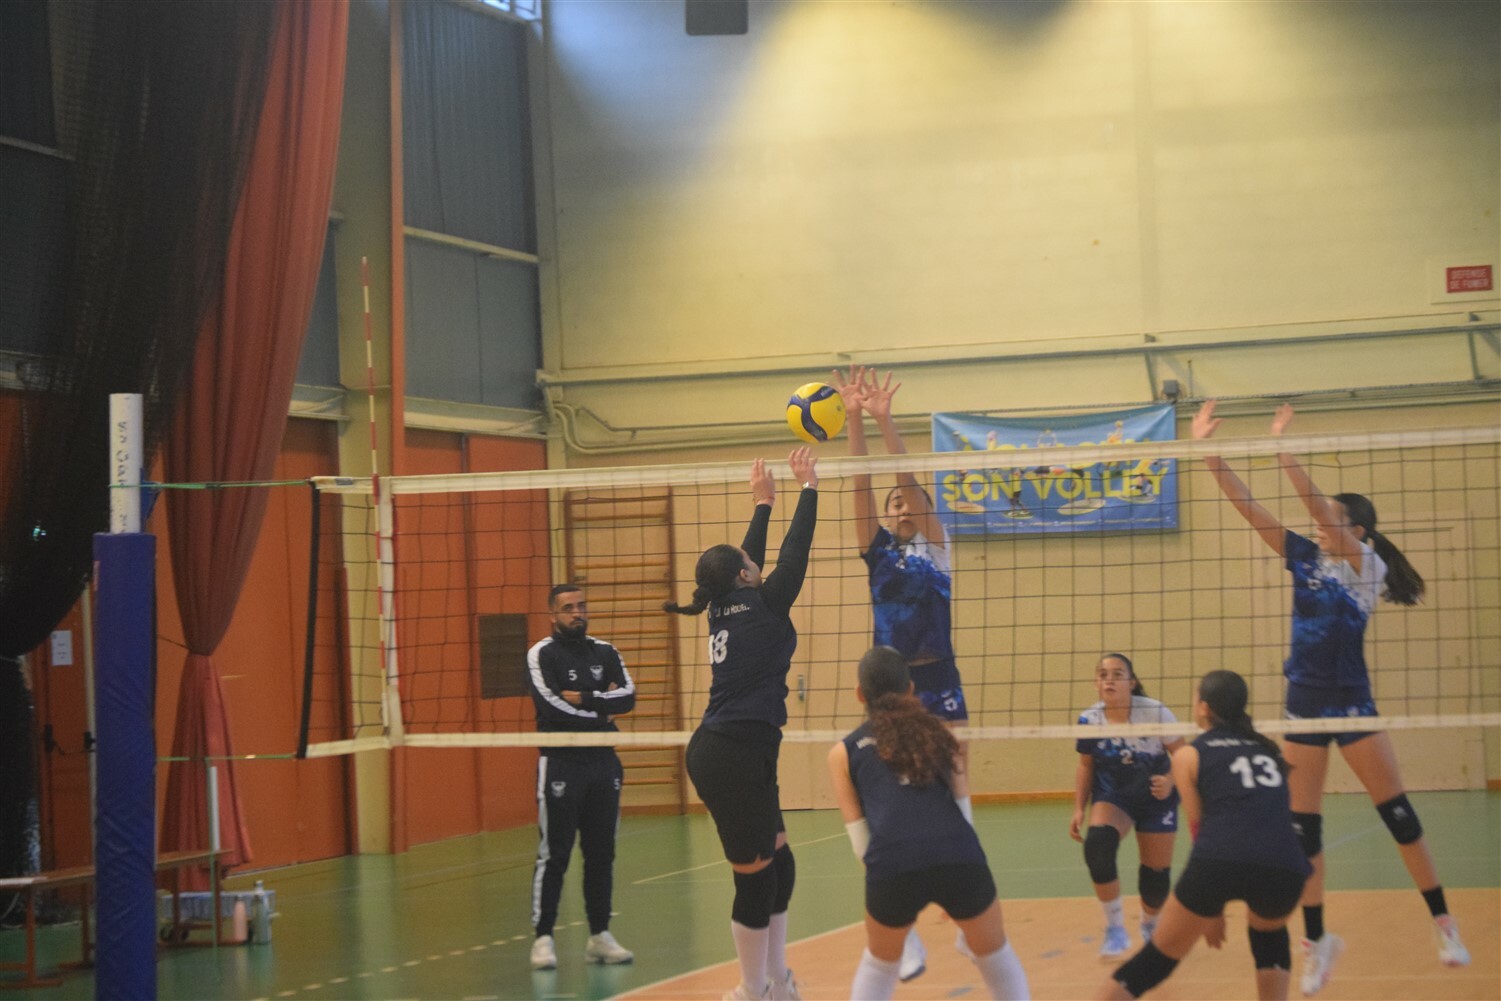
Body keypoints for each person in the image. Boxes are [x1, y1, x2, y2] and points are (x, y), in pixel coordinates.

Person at [1194, 400, 1470, 994]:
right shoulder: (1305, 557)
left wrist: (1282, 449)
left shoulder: (1366, 567)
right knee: (1304, 830)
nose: (1319, 524)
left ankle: (1444, 924)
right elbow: (1252, 511)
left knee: (1398, 814)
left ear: (1358, 532)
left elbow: (1318, 508)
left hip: (1352, 703)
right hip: (1304, 705)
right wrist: (1209, 455)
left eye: (1333, 520)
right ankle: (1316, 942)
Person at [835, 364, 971, 981]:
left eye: (907, 500)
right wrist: (855, 421)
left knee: (956, 788)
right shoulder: (879, 552)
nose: (900, 505)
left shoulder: (938, 549)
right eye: (893, 505)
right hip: (890, 691)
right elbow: (863, 486)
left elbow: (907, 481)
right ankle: (905, 934)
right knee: (888, 802)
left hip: (940, 678)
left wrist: (886, 421)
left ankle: (970, 913)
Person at [667, 448, 818, 1001]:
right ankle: (752, 990)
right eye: (748, 563)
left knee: (781, 863)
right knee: (754, 878)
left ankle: (777, 980)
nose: (754, 563)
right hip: (728, 755)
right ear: (744, 576)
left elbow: (745, 559)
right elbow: (794, 553)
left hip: (745, 750)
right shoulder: (766, 603)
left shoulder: (724, 605)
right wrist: (808, 489)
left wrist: (763, 502)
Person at [829, 647, 1031, 1001]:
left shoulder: (843, 753)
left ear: (860, 694)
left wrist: (888, 891)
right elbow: (963, 809)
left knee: (878, 967)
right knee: (996, 957)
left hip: (892, 861)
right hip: (956, 851)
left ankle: (908, 944)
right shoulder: (941, 734)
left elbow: (861, 841)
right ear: (911, 689)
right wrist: (966, 875)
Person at [1098, 670, 1311, 1001]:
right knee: (1270, 938)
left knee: (1155, 962)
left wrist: (1211, 908)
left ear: (1204, 707)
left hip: (1219, 862)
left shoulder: (1189, 755)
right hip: (1286, 865)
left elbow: (1199, 827)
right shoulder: (1269, 750)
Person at [525, 583, 637, 970]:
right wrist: (603, 712)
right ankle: (543, 938)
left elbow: (628, 696)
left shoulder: (605, 652)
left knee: (601, 854)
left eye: (581, 606)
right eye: (568, 608)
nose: (577, 613)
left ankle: (600, 936)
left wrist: (586, 698)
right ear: (553, 616)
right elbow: (551, 707)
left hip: (603, 763)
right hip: (561, 762)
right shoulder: (541, 654)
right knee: (554, 854)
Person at [1071, 654, 1184, 958]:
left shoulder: (1155, 712)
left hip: (1156, 796)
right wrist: (1079, 807)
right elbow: (1085, 765)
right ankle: (1116, 929)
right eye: (1103, 674)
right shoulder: (1090, 720)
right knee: (1098, 848)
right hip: (1114, 796)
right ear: (1096, 683)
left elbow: (1184, 755)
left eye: (1117, 674)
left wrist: (1171, 781)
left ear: (1131, 682)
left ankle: (1150, 924)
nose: (1109, 679)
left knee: (1155, 878)